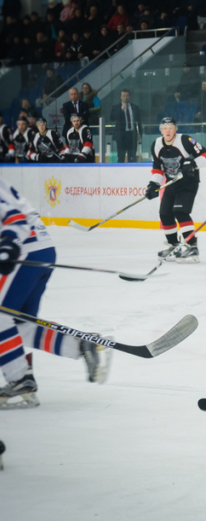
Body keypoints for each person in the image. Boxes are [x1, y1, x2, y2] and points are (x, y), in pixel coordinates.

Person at [0, 177, 111, 409]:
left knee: (1, 316)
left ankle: (20, 379)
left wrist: (8, 244)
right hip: (41, 249)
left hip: (23, 250)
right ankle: (80, 346)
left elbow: (14, 217)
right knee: (18, 324)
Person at [145, 117, 206, 262]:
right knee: (165, 213)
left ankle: (192, 246)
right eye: (165, 127)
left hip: (188, 182)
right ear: (161, 130)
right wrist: (153, 184)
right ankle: (173, 245)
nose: (168, 130)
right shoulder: (156, 145)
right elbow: (157, 169)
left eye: (171, 127)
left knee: (180, 212)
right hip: (171, 183)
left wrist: (193, 164)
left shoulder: (185, 141)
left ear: (176, 129)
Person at [109, 89, 141, 163]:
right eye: (124, 96)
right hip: (121, 135)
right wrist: (121, 110)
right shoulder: (116, 107)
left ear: (129, 97)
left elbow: (139, 121)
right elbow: (112, 118)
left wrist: (140, 132)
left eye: (127, 96)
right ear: (121, 97)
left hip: (132, 134)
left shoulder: (134, 107)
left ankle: (132, 173)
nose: (125, 97)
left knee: (132, 157)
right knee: (121, 157)